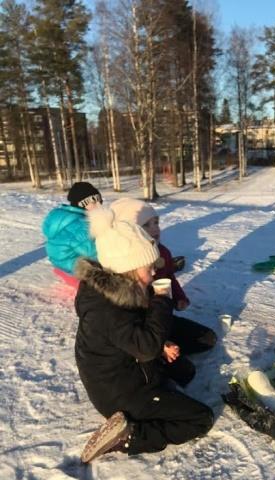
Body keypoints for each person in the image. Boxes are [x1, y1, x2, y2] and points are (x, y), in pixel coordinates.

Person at [75, 207, 213, 463]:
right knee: (200, 418)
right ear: (128, 268)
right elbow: (145, 346)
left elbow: (136, 336)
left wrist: (163, 343)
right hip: (117, 392)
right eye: (148, 268)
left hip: (128, 368)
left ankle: (152, 398)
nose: (153, 273)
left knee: (186, 372)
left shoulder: (123, 289)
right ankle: (129, 434)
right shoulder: (108, 310)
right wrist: (162, 301)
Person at [110, 197, 217, 356]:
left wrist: (179, 297)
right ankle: (156, 352)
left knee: (208, 339)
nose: (155, 229)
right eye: (146, 225)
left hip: (160, 317)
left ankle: (162, 347)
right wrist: (158, 345)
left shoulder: (163, 252)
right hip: (136, 329)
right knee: (183, 370)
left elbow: (169, 277)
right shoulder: (120, 263)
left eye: (156, 222)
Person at [42, 182, 103, 277]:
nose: (99, 205)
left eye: (100, 201)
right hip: (74, 268)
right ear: (81, 204)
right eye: (94, 202)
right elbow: (94, 254)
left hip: (60, 262)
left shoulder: (64, 216)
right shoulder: (80, 224)